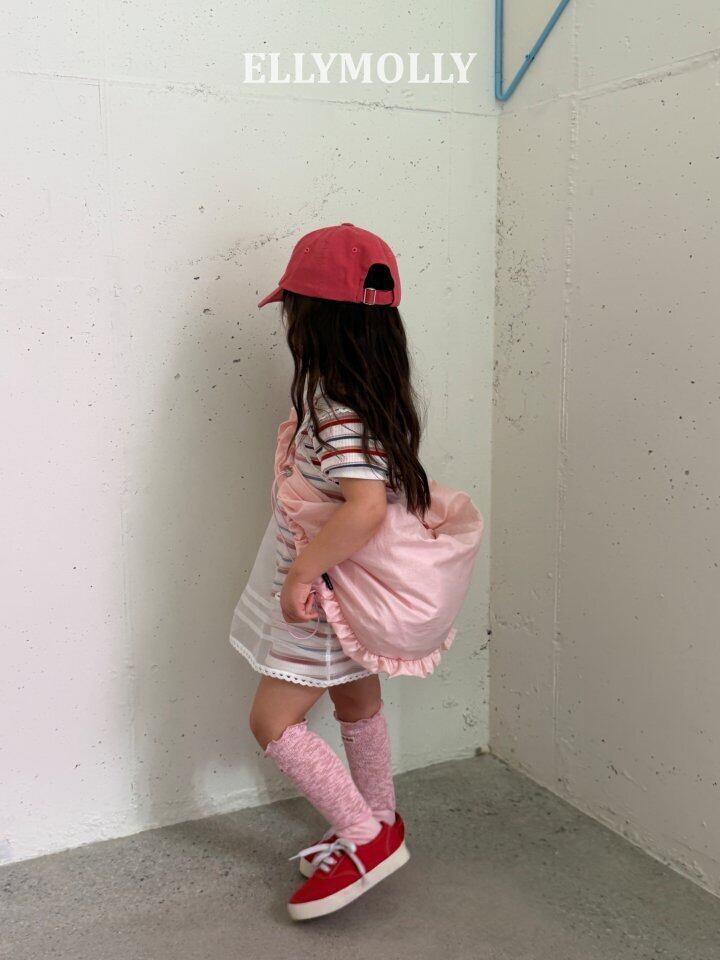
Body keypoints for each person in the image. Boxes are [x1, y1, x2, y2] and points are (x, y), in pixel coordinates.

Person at [229, 223, 483, 921]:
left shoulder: (335, 408)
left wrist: (300, 575)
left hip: (324, 597)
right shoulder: (372, 396)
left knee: (272, 722)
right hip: (348, 598)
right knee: (356, 705)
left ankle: (363, 837)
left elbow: (365, 508)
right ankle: (382, 817)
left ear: (313, 318)